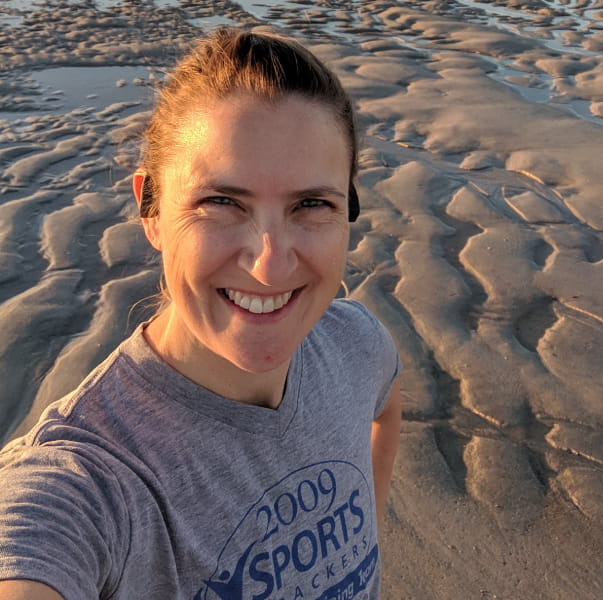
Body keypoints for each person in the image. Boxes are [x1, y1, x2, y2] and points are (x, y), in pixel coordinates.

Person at [0, 28, 402, 600]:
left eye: (311, 204)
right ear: (152, 208)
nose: (268, 265)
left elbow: (387, 405)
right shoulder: (88, 483)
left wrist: (369, 538)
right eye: (220, 203)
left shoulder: (356, 341)